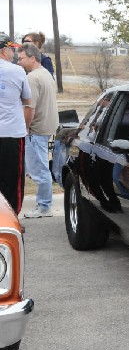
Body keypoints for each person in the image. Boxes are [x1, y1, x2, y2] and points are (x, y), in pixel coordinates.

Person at [17, 43, 59, 218]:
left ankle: (44, 206)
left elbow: (29, 108)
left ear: (32, 58)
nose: (18, 62)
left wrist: (25, 128)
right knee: (40, 167)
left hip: (36, 130)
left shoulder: (32, 78)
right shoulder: (46, 73)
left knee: (39, 170)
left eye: (21, 58)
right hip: (46, 127)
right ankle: (44, 204)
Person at [0, 33, 32, 214]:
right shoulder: (17, 71)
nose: (14, 54)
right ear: (4, 50)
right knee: (12, 180)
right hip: (12, 133)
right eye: (12, 49)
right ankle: (11, 219)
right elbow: (27, 100)